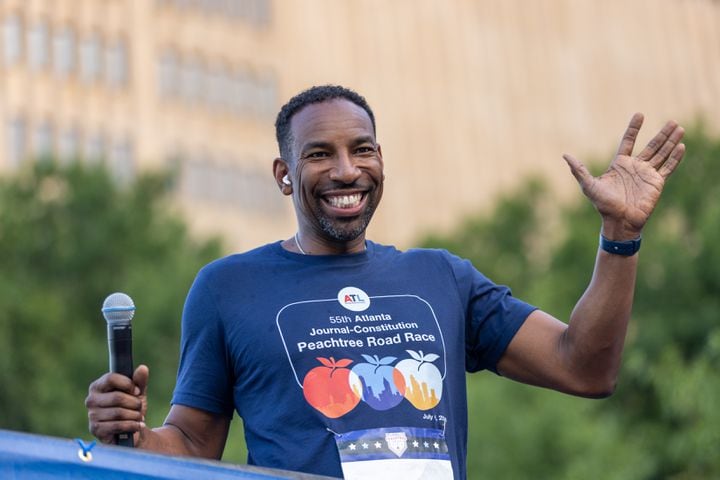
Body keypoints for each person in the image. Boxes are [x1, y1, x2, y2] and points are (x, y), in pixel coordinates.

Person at [86, 85, 686, 479]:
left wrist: (619, 235)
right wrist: (129, 435)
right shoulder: (227, 288)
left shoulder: (442, 277)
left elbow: (586, 367)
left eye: (362, 149)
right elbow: (191, 446)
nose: (347, 170)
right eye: (319, 154)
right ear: (284, 175)